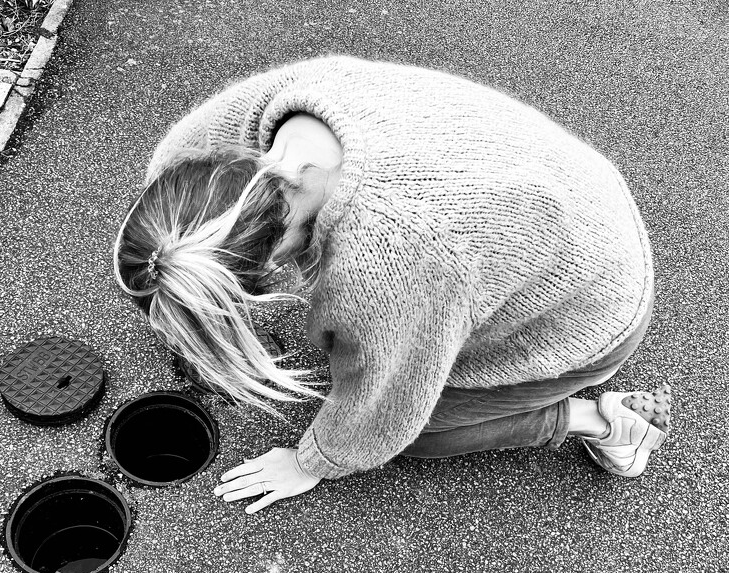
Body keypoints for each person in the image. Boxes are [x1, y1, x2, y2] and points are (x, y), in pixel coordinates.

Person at [112, 56, 671, 514]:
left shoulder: (389, 259)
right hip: (581, 194)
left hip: (592, 307)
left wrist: (314, 460)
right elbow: (175, 212)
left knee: (413, 431)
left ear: (274, 259)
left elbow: (382, 406)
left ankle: (603, 421)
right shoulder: (230, 135)